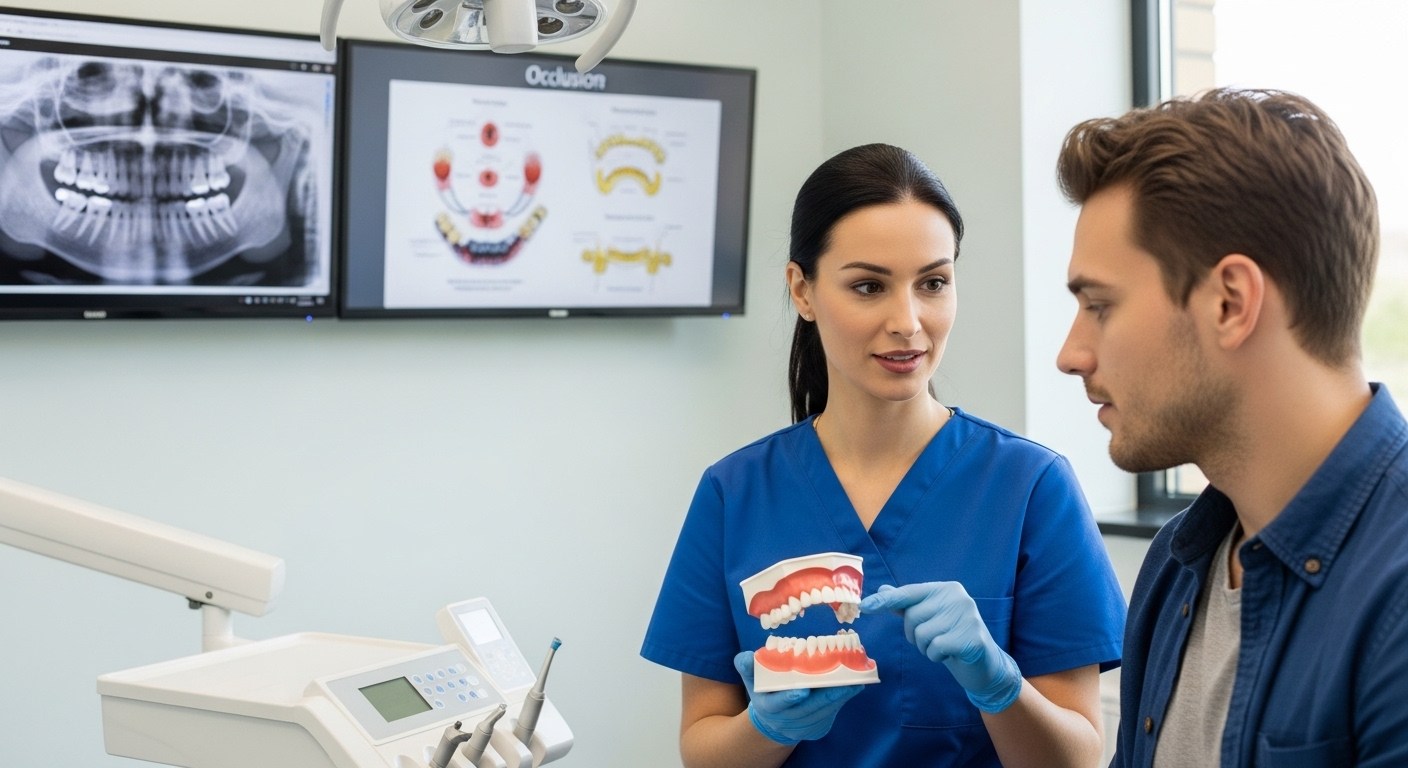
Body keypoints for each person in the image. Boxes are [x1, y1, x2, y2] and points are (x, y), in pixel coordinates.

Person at [640, 143, 1125, 768]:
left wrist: (1000, 687)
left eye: (933, 283)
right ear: (803, 290)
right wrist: (768, 727)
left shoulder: (1031, 488)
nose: (908, 321)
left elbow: (1080, 759)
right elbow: (703, 750)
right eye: (869, 286)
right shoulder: (735, 493)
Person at [1056, 87, 1408, 766]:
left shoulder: (1394, 599)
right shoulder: (1177, 566)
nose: (1071, 354)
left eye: (1099, 305)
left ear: (1230, 302)